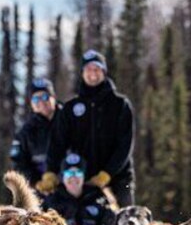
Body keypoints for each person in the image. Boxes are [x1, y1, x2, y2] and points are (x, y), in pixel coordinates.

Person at [37, 50, 136, 206]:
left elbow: (125, 145)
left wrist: (107, 173)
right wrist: (51, 172)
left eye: (96, 69)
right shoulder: (70, 108)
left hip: (117, 178)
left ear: (103, 72)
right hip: (83, 181)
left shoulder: (120, 105)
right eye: (88, 69)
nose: (93, 74)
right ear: (82, 73)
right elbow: (58, 143)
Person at [42, 153, 115, 225]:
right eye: (69, 173)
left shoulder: (97, 197)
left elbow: (108, 224)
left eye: (78, 173)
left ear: (84, 176)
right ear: (62, 176)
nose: (73, 177)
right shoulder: (52, 200)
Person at [11, 77, 59, 186]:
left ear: (53, 98)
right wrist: (37, 183)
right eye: (36, 99)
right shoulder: (25, 133)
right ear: (31, 104)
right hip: (43, 192)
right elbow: (19, 165)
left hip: (74, 185)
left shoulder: (70, 121)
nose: (41, 102)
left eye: (45, 96)